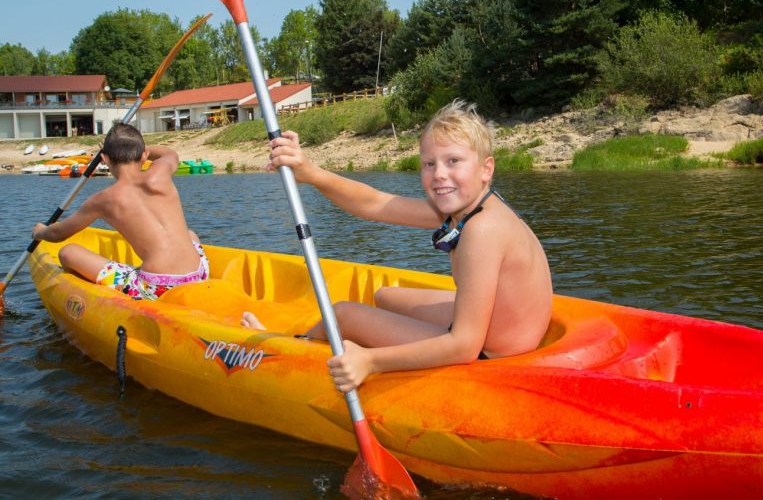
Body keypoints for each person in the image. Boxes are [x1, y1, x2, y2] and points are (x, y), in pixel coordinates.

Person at [242, 100, 553, 392]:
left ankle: (290, 348)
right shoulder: (469, 207)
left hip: (490, 352)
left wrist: (370, 361)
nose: (439, 174)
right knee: (386, 296)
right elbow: (374, 204)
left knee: (342, 315)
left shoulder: (483, 229)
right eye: (429, 163)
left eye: (453, 161)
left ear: (487, 168)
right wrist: (310, 173)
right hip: (499, 330)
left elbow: (464, 346)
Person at [32, 123, 208, 300]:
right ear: (145, 155)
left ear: (105, 159)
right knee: (190, 234)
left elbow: (58, 233)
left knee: (67, 252)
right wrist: (136, 148)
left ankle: (88, 298)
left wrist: (40, 232)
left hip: (157, 286)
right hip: (199, 272)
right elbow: (170, 153)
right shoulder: (161, 171)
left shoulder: (103, 199)